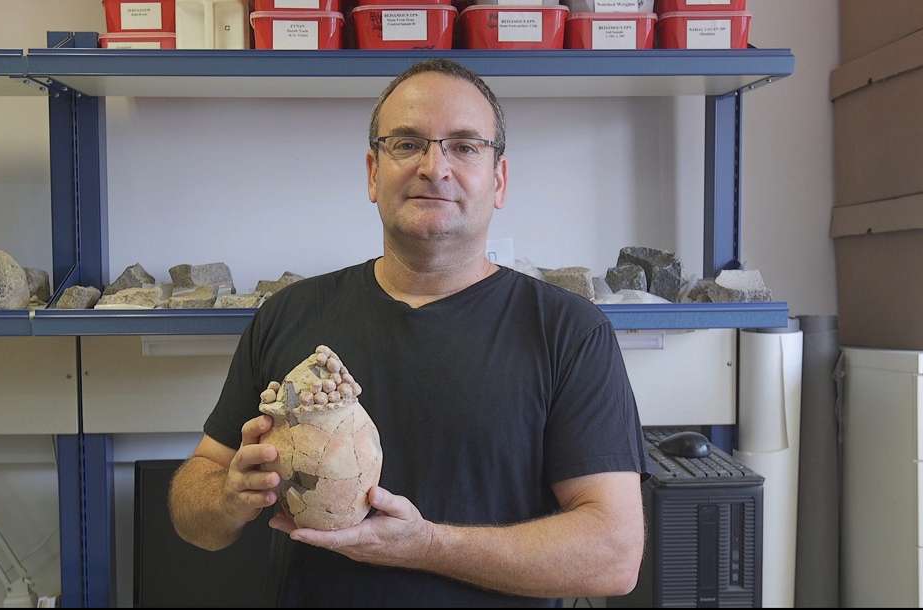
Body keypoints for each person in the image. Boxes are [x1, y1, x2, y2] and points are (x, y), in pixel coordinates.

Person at [169, 58, 648, 607]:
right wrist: (226, 497)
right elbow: (194, 517)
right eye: (406, 144)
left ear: (499, 180)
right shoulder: (289, 314)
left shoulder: (567, 332)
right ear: (373, 173)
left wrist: (424, 546)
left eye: (465, 146)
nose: (434, 166)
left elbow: (614, 555)